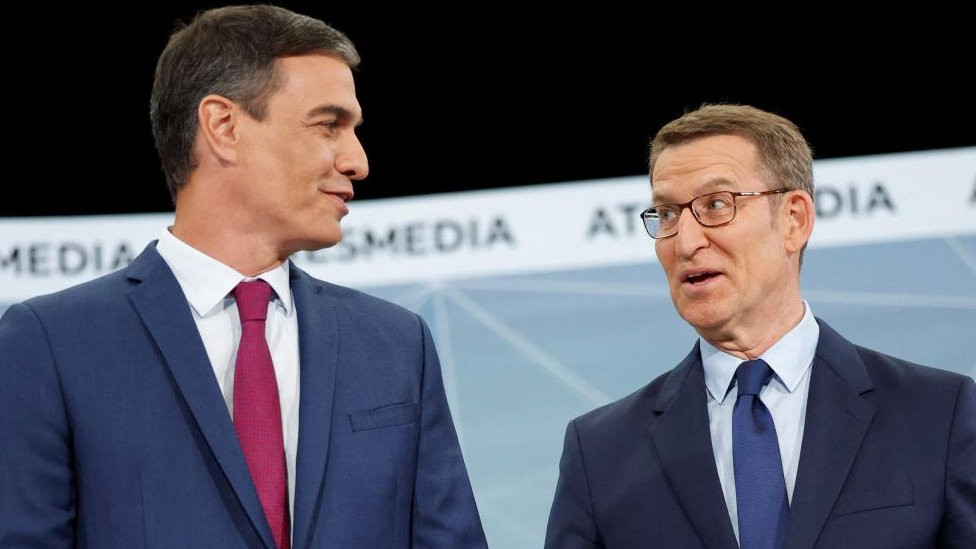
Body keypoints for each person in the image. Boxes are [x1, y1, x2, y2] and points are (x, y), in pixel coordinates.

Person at [0, 5, 486, 548]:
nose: (357, 161)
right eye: (329, 125)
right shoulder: (52, 344)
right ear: (224, 126)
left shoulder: (397, 346)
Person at [544, 104, 975, 548]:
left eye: (716, 205)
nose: (687, 241)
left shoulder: (939, 415)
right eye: (668, 214)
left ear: (794, 220)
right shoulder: (599, 454)